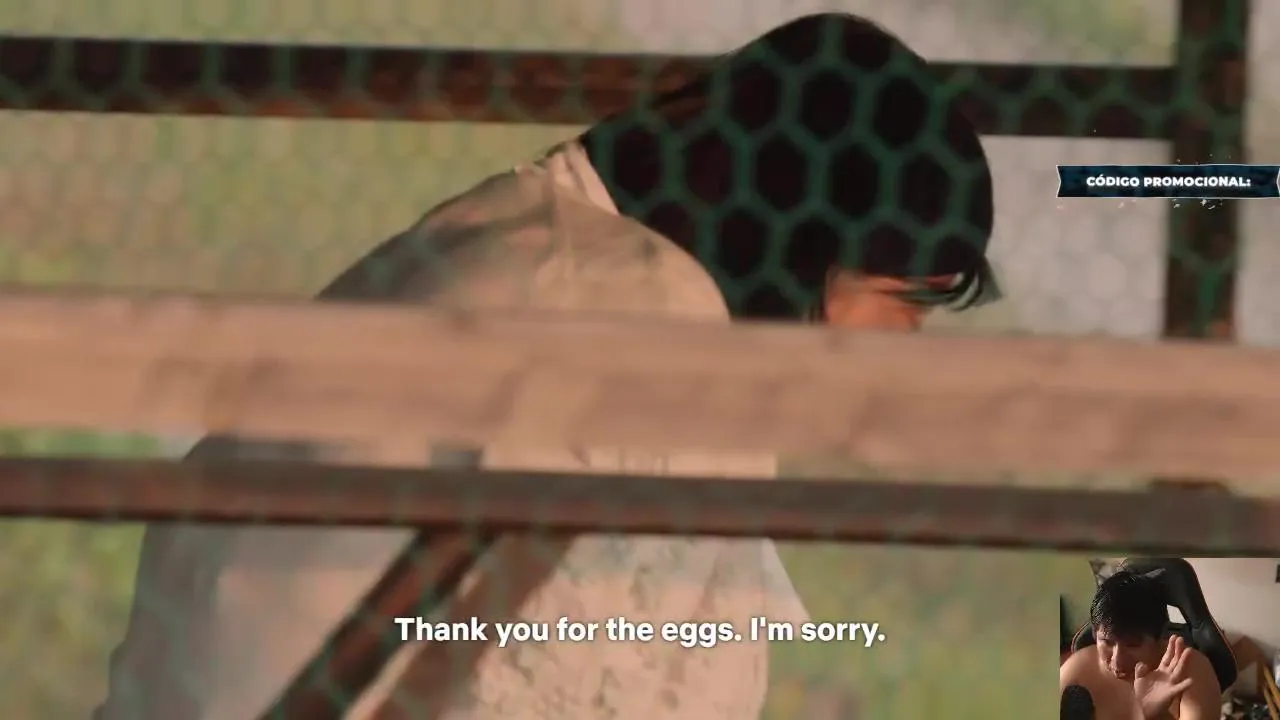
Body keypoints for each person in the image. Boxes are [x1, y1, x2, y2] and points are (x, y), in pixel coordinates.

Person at [97, 12, 999, 720]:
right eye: (905, 303)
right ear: (808, 243)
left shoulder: (518, 231)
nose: (902, 349)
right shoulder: (660, 340)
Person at [1060, 571, 1221, 720]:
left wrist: (1157, 715)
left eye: (1132, 645)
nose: (1117, 661)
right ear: (1095, 633)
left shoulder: (1191, 670)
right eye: (1107, 642)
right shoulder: (1078, 669)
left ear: (1160, 637)